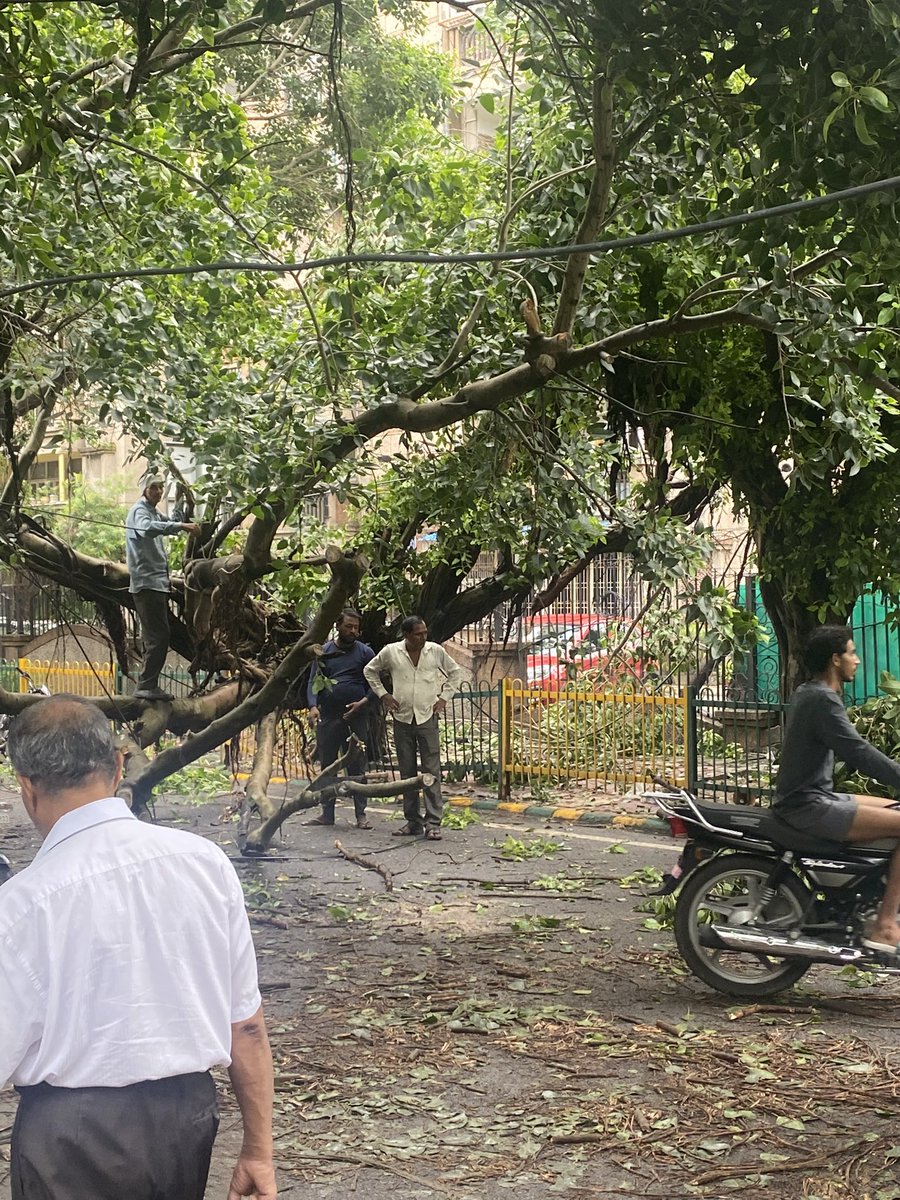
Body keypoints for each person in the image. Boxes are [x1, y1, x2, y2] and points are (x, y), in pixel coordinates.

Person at [0, 695, 277, 1200]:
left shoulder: (20, 907)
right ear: (118, 764)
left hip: (72, 1138)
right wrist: (258, 1149)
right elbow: (248, 1025)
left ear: (26, 786)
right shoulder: (205, 864)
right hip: (186, 1119)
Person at [774, 625, 900, 954]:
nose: (856, 660)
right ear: (835, 659)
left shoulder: (809, 691)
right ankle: (885, 924)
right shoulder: (822, 700)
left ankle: (865, 894)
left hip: (815, 796)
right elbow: (857, 751)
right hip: (808, 805)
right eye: (852, 652)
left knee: (893, 809)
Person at [363, 615, 464, 841]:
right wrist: (384, 695)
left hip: (428, 716)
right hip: (402, 718)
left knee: (431, 771)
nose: (423, 637)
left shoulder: (435, 651)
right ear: (406, 635)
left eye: (424, 633)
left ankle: (433, 823)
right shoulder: (391, 652)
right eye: (418, 633)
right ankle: (413, 821)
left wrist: (445, 697)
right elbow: (370, 670)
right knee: (407, 772)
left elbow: (455, 672)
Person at [125, 474, 200, 701]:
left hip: (156, 583)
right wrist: (182, 526)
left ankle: (148, 684)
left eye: (161, 488)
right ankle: (146, 685)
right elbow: (147, 529)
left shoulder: (151, 510)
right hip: (147, 583)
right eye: (154, 488)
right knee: (158, 636)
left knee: (157, 636)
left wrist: (181, 503)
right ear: (145, 490)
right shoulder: (139, 511)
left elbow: (166, 523)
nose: (158, 492)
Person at [306, 609, 376, 828]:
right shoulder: (324, 652)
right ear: (338, 626)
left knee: (358, 765)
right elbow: (313, 681)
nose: (353, 630)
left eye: (356, 627)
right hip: (329, 715)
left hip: (357, 716)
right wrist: (312, 706)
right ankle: (327, 814)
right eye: (349, 626)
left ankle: (361, 815)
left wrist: (362, 703)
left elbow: (376, 685)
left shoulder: (365, 653)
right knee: (328, 765)